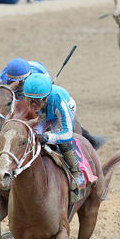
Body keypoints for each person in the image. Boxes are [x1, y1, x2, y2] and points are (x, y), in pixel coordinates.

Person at [22, 72, 86, 202]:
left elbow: (67, 134)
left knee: (59, 140)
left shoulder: (59, 101)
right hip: (45, 114)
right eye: (30, 101)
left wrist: (48, 137)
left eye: (37, 102)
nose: (33, 106)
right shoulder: (35, 99)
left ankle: (77, 173)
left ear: (45, 98)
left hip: (60, 113)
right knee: (31, 134)